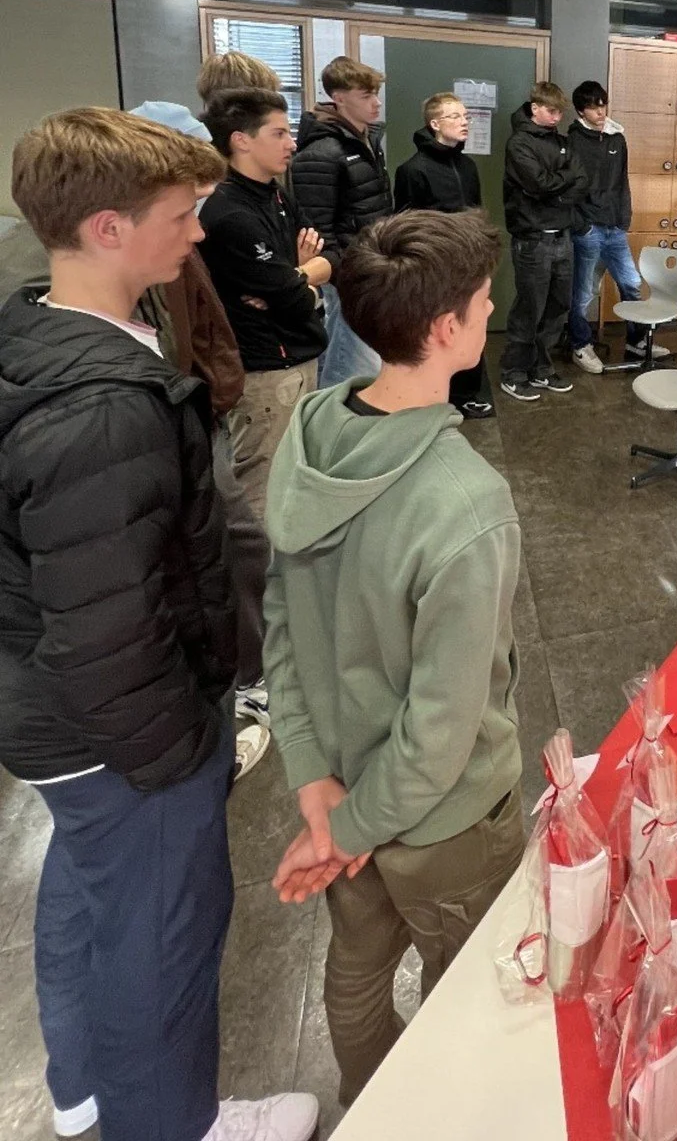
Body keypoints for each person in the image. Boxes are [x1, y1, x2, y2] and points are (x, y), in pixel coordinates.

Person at [0, 107, 318, 1141]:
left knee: (91, 897)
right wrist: (186, 755)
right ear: (105, 229)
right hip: (120, 733)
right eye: (179, 217)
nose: (196, 234)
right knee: (160, 937)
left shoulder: (41, 332)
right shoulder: (100, 412)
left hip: (58, 720)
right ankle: (170, 1121)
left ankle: (86, 1088)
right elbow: (110, 630)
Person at [263, 210, 524, 1105]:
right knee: (482, 997)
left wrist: (319, 797)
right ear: (447, 327)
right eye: (485, 303)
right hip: (442, 828)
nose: (490, 315)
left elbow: (282, 628)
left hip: (341, 785)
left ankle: (374, 1108)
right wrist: (350, 830)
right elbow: (442, 733)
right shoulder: (468, 503)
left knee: (357, 975)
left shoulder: (309, 433)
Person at [126, 97, 271, 779]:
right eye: (185, 212)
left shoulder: (173, 260)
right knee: (227, 539)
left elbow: (201, 328)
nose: (199, 228)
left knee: (233, 537)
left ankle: (248, 671)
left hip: (197, 410)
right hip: (181, 420)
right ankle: (240, 683)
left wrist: (212, 390)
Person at [199, 89, 331, 730]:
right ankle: (261, 661)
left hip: (300, 356)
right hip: (264, 375)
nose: (291, 142)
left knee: (291, 486)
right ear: (240, 141)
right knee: (257, 509)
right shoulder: (227, 214)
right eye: (279, 133)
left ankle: (293, 613)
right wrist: (297, 274)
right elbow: (280, 287)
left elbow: (304, 261)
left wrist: (302, 269)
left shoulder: (276, 193)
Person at [291, 55, 392, 389]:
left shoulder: (367, 142)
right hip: (346, 276)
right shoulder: (321, 152)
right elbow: (317, 230)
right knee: (350, 364)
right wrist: (346, 272)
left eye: (376, 94)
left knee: (365, 359)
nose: (376, 103)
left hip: (371, 268)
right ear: (339, 98)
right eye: (366, 96)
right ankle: (337, 430)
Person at [393, 92, 494, 419]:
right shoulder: (413, 170)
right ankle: (434, 394)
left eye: (466, 116)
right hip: (436, 268)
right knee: (437, 332)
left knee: (470, 327)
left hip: (471, 263)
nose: (465, 121)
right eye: (455, 116)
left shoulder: (468, 166)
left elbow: (477, 213)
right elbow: (407, 226)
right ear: (435, 123)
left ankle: (467, 394)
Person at [565, 80, 670, 374]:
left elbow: (622, 181)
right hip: (588, 228)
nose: (600, 111)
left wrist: (624, 218)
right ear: (581, 111)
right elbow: (570, 188)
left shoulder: (616, 138)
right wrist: (582, 225)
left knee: (631, 284)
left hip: (614, 228)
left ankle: (636, 341)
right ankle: (580, 345)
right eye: (593, 107)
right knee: (584, 292)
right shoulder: (573, 141)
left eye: (603, 105)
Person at [499, 80, 585, 401]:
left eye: (560, 112)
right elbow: (538, 183)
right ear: (535, 108)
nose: (557, 117)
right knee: (529, 308)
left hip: (563, 236)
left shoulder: (563, 142)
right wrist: (559, 186)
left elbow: (581, 181)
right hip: (533, 239)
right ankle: (514, 372)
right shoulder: (519, 144)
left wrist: (556, 192)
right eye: (551, 111)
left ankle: (542, 370)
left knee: (557, 306)